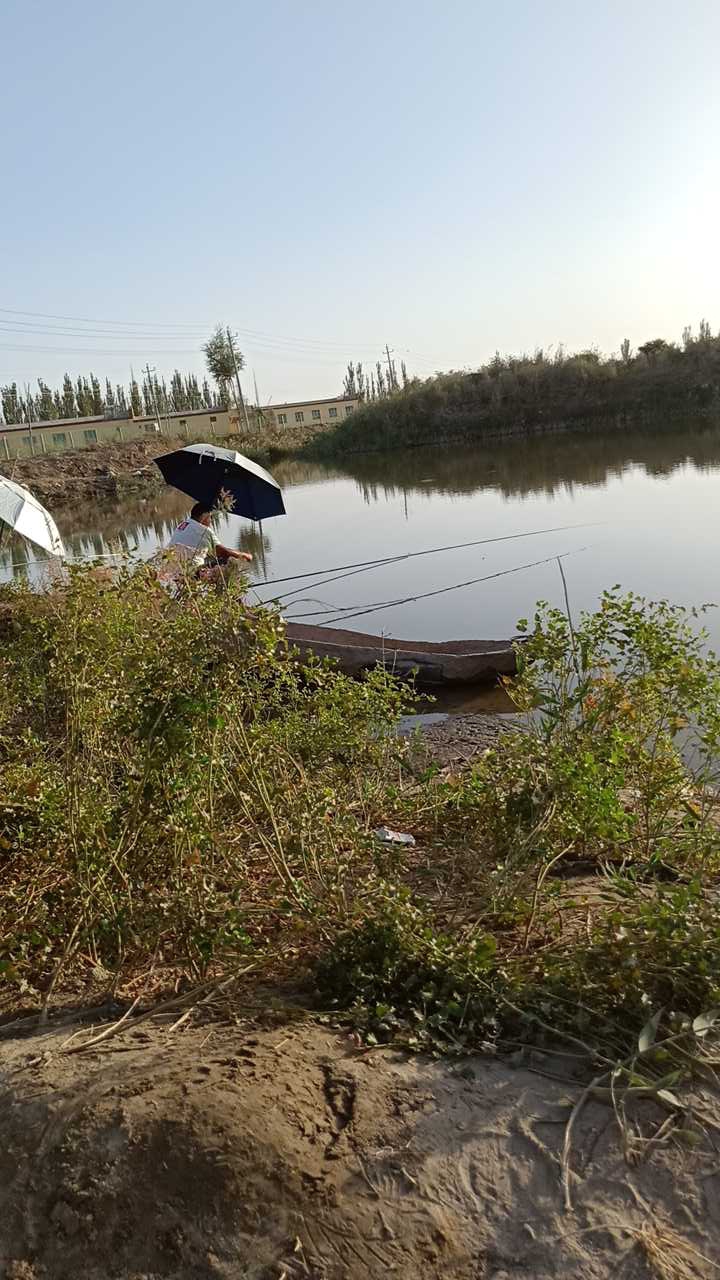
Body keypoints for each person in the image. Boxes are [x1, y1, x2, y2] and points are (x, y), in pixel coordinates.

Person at [158, 502, 252, 590]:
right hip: (191, 573)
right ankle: (229, 593)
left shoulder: (183, 525)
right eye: (210, 517)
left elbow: (213, 551)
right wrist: (245, 556)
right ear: (204, 517)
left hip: (172, 572)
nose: (211, 521)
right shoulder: (205, 531)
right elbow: (223, 553)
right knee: (228, 561)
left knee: (211, 560)